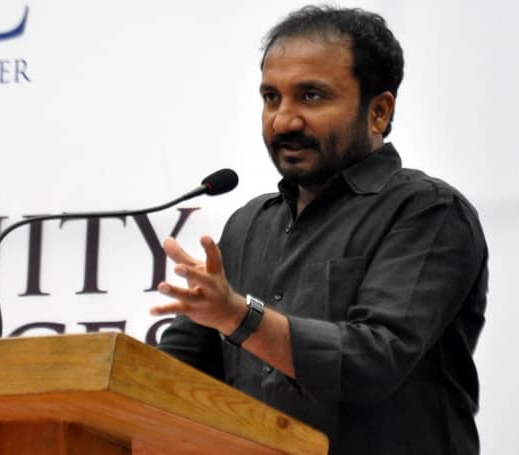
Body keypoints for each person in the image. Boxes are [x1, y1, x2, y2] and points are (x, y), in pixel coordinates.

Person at [149, 5, 488, 455]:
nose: (283, 121)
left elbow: (373, 360)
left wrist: (239, 317)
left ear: (378, 111)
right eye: (271, 97)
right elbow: (172, 376)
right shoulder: (247, 226)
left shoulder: (430, 211)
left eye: (311, 96)